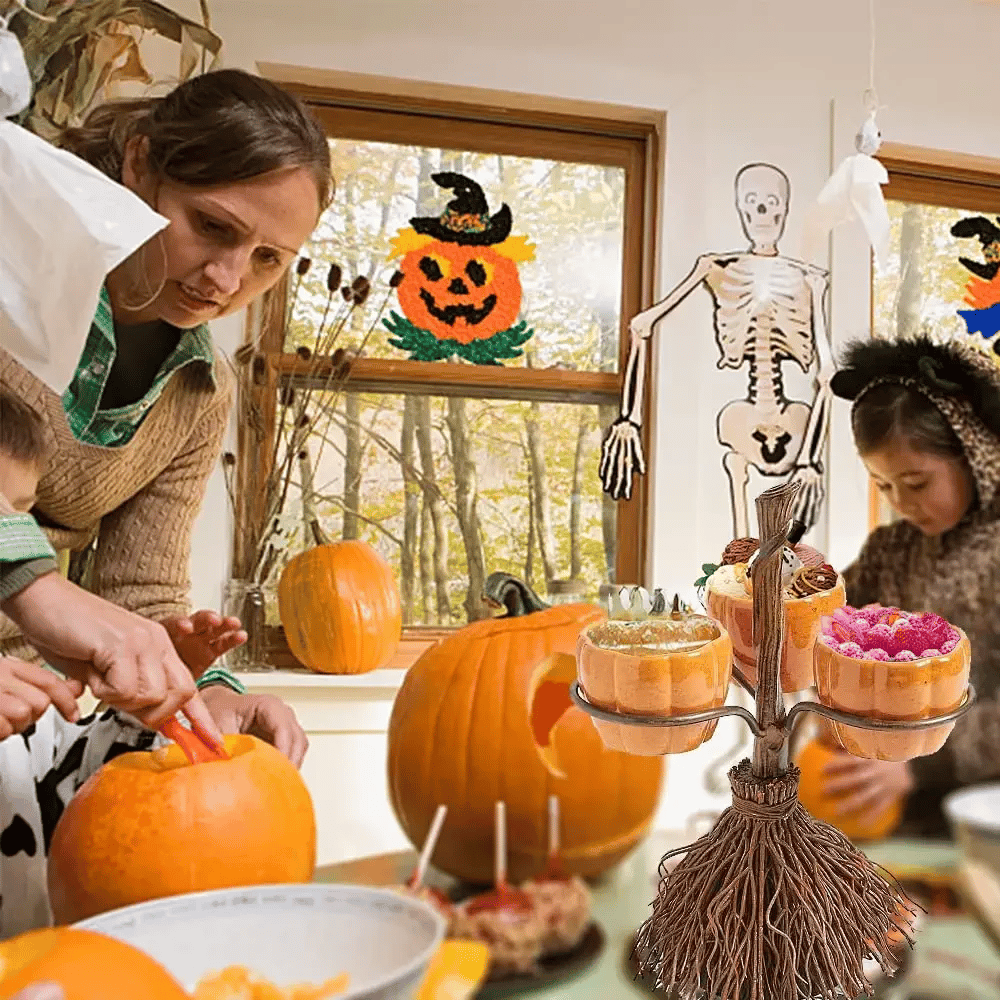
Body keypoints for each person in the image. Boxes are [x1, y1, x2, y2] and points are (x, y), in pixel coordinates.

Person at [0, 68, 331, 762]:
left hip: (26, 712)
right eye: (212, 227)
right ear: (140, 160)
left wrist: (207, 688)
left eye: (268, 259)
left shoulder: (202, 393)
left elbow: (137, 594)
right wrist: (34, 585)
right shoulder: (14, 267)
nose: (227, 280)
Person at [824, 334, 1000, 837]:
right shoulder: (889, 552)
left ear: (973, 454)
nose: (900, 500)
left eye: (916, 482)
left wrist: (918, 766)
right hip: (890, 815)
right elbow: (833, 636)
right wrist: (804, 589)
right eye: (883, 485)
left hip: (986, 823)